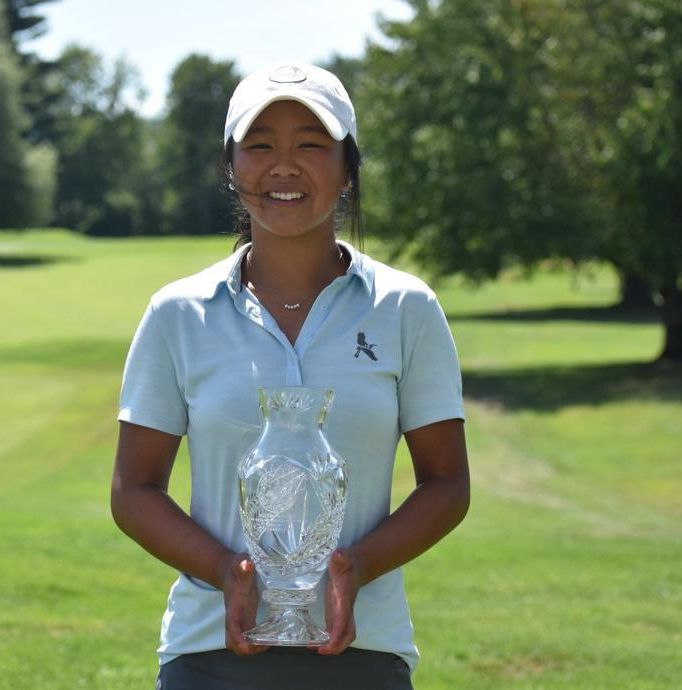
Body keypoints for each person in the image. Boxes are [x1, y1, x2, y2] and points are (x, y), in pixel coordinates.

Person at [112, 62, 470, 689]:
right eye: (259, 146)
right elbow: (134, 490)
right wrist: (224, 570)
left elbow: (446, 482)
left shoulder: (406, 308)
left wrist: (357, 567)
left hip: (364, 653)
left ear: (347, 168)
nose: (283, 167)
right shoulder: (178, 313)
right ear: (231, 167)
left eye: (310, 145)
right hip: (209, 653)